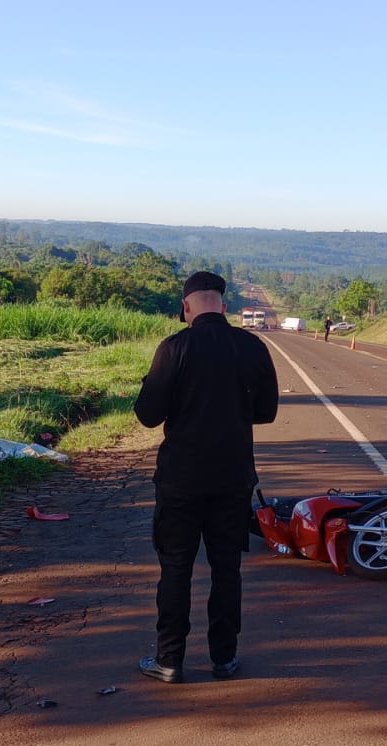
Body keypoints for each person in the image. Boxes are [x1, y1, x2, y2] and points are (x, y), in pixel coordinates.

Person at [133, 271, 279, 683]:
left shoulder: (174, 347)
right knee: (226, 568)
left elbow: (147, 415)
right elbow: (266, 413)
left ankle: (169, 660)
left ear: (186, 306)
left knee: (176, 568)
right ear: (224, 305)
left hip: (181, 479)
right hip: (232, 477)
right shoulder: (251, 346)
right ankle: (224, 658)